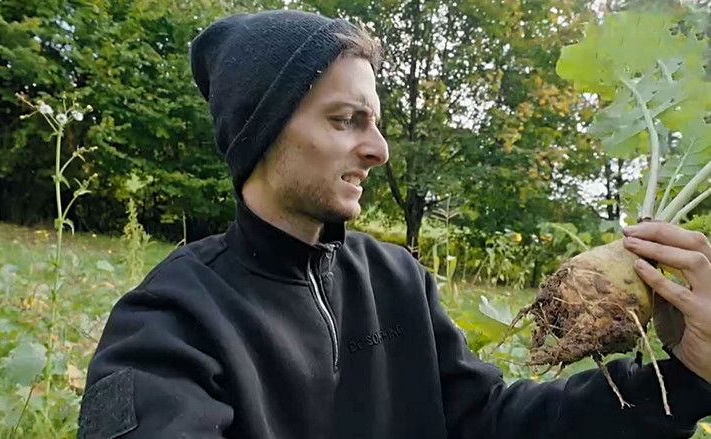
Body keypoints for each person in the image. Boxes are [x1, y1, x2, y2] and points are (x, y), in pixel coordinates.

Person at [77, 9, 711, 439]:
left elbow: (487, 419)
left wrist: (687, 376)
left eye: (375, 122)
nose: (379, 150)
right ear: (260, 132)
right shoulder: (170, 319)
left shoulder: (395, 278)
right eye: (345, 120)